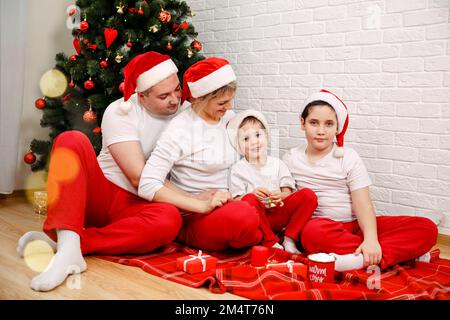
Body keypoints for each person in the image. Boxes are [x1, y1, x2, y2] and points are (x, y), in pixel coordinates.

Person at [17, 51, 184, 291]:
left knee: (169, 219)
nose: (175, 99)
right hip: (104, 195)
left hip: (141, 205)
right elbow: (139, 177)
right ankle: (68, 249)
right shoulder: (121, 110)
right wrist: (196, 202)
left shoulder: (185, 112)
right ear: (142, 96)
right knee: (71, 140)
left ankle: (69, 245)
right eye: (164, 95)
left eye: (177, 89)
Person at [283, 89, 438, 271]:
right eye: (314, 123)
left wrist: (371, 238)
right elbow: (288, 201)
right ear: (302, 123)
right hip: (321, 228)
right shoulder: (291, 158)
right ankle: (398, 254)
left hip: (355, 227)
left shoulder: (348, 157)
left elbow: (363, 205)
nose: (321, 131)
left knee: (427, 228)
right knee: (312, 233)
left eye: (329, 124)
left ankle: (359, 258)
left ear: (337, 127)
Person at [138, 57, 263, 251]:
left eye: (231, 99)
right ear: (200, 98)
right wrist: (200, 205)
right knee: (244, 217)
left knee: (272, 204)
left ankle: (251, 231)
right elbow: (147, 185)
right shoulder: (180, 129)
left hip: (232, 203)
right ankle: (252, 233)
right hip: (196, 216)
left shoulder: (228, 118)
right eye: (222, 102)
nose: (229, 107)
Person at [227, 109, 317, 254]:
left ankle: (289, 238)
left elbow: (287, 191)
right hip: (257, 219)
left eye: (258, 135)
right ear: (239, 145)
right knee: (249, 199)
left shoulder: (277, 163)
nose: (254, 142)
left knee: (308, 195)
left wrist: (280, 195)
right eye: (245, 139)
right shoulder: (238, 169)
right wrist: (252, 195)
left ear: (267, 137)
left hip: (278, 213)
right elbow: (237, 200)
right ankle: (270, 240)